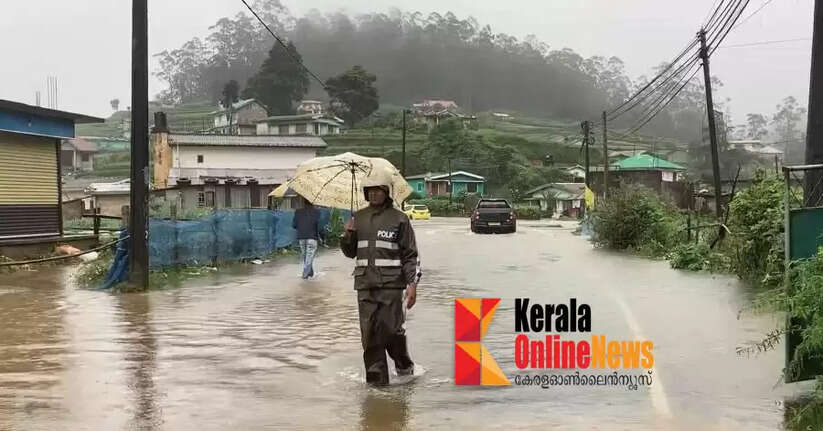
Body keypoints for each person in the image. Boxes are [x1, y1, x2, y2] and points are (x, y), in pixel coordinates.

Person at [340, 172, 422, 386]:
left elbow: (410, 255)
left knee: (391, 331)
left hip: (391, 286)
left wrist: (412, 284)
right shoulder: (357, 218)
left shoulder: (399, 219)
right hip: (365, 285)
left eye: (378, 190)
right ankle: (377, 385)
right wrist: (347, 236)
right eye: (370, 190)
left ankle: (404, 365)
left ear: (387, 192)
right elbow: (350, 253)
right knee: (369, 336)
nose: (374, 194)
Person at [293, 196, 321, 279]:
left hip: (301, 237)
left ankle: (310, 272)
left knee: (306, 256)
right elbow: (319, 225)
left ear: (303, 202)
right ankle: (305, 273)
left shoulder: (298, 212)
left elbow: (294, 225)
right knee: (309, 256)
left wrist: (301, 225)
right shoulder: (317, 212)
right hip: (312, 237)